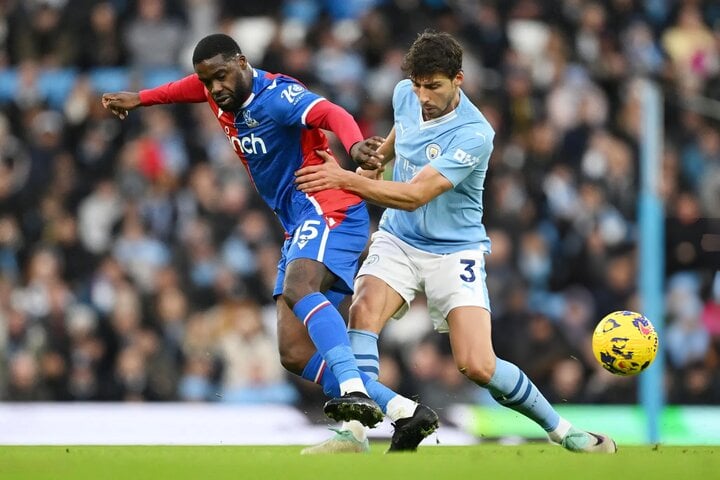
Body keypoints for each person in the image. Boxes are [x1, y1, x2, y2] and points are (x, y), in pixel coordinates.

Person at [102, 34, 438, 442]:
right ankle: (406, 411)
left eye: (222, 77)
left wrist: (354, 147)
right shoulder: (216, 91)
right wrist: (140, 98)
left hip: (326, 204)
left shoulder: (278, 96)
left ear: (242, 62)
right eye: (208, 82)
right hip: (297, 222)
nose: (215, 89)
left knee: (300, 288)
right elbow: (185, 88)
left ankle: (352, 389)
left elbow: (330, 112)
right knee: (294, 353)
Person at [296, 30, 617, 454]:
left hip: (453, 251)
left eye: (434, 86)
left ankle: (563, 431)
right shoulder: (404, 95)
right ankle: (354, 432)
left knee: (477, 364)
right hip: (398, 239)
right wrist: (377, 160)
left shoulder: (475, 134)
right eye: (418, 85)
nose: (423, 95)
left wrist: (345, 180)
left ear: (458, 80)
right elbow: (401, 136)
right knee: (362, 311)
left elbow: (414, 195)